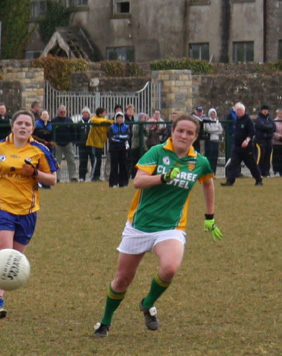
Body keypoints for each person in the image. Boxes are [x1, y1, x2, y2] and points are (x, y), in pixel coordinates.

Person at [93, 114, 223, 337]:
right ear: (172, 131)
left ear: (195, 136)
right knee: (123, 279)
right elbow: (138, 181)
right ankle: (105, 322)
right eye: (180, 130)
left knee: (170, 268)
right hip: (140, 226)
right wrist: (163, 177)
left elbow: (208, 183)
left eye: (189, 132)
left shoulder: (199, 161)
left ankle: (147, 303)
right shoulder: (157, 152)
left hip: (171, 227)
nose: (184, 135)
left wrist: (209, 217)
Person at [0, 109, 58, 319]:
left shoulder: (39, 150)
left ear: (32, 129)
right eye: (20, 123)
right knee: (3, 254)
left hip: (28, 210)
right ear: (12, 126)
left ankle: (3, 292)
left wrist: (34, 173)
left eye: (27, 124)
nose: (23, 127)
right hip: (1, 206)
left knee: (16, 258)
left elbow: (52, 179)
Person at [221, 102, 263, 187]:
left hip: (247, 148)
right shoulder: (237, 120)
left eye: (240, 110)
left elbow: (252, 132)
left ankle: (258, 180)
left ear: (244, 110)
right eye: (237, 110)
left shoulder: (248, 120)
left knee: (251, 164)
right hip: (237, 147)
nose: (238, 112)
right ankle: (230, 181)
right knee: (233, 163)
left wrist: (247, 140)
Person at [86, 107, 114, 181]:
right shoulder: (95, 119)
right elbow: (96, 120)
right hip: (94, 143)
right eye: (104, 112)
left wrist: (109, 122)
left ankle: (97, 176)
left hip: (101, 144)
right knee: (96, 160)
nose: (105, 114)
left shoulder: (105, 122)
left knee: (99, 160)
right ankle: (93, 176)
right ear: (100, 114)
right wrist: (108, 121)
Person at [51, 105, 77, 182]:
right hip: (57, 144)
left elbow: (74, 131)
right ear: (58, 112)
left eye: (64, 112)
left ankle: (73, 177)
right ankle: (57, 177)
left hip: (68, 144)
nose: (62, 113)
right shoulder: (54, 121)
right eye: (61, 112)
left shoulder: (69, 120)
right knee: (57, 161)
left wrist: (73, 140)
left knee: (71, 160)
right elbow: (51, 132)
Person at [108, 112, 130, 188]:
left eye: (121, 118)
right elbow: (111, 138)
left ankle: (123, 183)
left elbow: (127, 136)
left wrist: (118, 136)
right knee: (114, 165)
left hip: (123, 148)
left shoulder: (126, 127)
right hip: (114, 149)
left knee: (123, 165)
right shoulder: (111, 127)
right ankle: (113, 183)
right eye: (118, 118)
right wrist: (120, 138)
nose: (119, 119)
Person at [33, 109, 54, 188]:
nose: (45, 116)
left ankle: (46, 183)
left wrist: (50, 143)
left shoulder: (50, 125)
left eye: (46, 114)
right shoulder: (36, 124)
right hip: (38, 147)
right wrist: (42, 141)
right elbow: (33, 136)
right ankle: (37, 182)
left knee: (47, 165)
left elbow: (52, 137)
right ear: (40, 116)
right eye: (43, 114)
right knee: (38, 164)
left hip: (47, 148)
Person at [254, 104, 276, 177]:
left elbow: (273, 127)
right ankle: (258, 172)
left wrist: (268, 128)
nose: (265, 111)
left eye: (266, 110)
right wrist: (269, 128)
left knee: (268, 156)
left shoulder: (270, 119)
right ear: (261, 110)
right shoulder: (259, 119)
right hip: (261, 140)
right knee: (260, 156)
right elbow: (261, 126)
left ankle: (266, 172)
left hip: (269, 140)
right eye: (264, 110)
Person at [203, 108, 223, 175]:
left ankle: (213, 172)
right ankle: (207, 172)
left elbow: (221, 130)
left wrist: (215, 130)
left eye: (213, 113)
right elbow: (208, 129)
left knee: (215, 157)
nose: (212, 114)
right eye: (211, 113)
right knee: (209, 157)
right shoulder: (207, 121)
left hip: (216, 140)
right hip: (209, 141)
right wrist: (216, 130)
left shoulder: (217, 121)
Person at [76, 107, 94, 182]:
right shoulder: (79, 123)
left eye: (87, 113)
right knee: (83, 161)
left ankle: (94, 176)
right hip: (82, 146)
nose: (85, 114)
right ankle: (81, 177)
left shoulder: (93, 123)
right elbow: (76, 134)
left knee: (93, 161)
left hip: (91, 145)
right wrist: (78, 143)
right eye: (84, 113)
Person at [130, 112, 149, 179]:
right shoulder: (136, 124)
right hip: (135, 145)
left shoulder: (145, 125)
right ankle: (133, 175)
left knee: (142, 161)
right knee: (135, 161)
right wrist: (139, 126)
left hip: (143, 145)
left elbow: (147, 134)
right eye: (143, 118)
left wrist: (144, 127)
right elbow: (135, 133)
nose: (145, 119)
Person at [272, 108, 282, 176]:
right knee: (276, 157)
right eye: (279, 113)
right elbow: (273, 132)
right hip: (277, 142)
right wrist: (279, 137)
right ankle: (276, 170)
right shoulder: (274, 121)